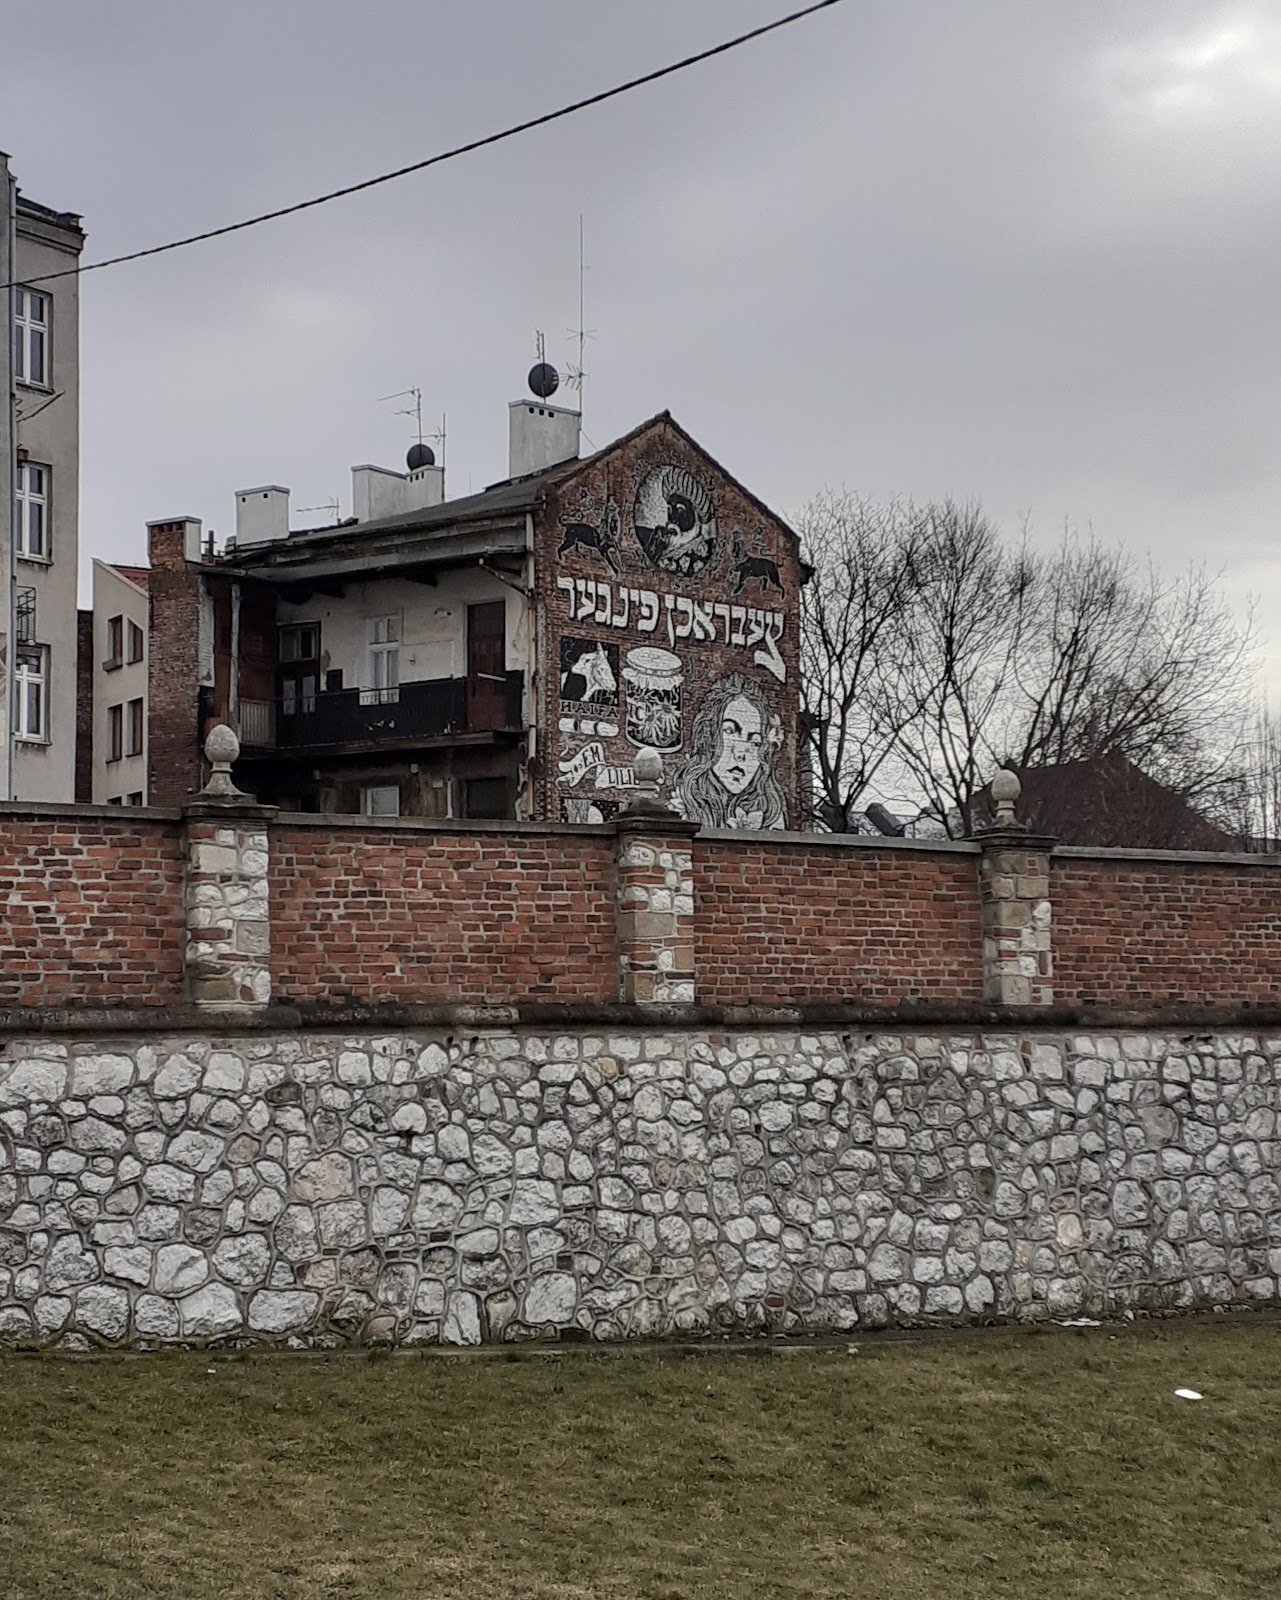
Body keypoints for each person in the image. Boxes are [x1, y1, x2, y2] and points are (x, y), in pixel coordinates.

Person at [673, 672, 786, 829]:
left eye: (755, 742)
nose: (741, 754)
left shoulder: (770, 813)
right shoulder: (683, 802)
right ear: (709, 736)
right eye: (730, 731)